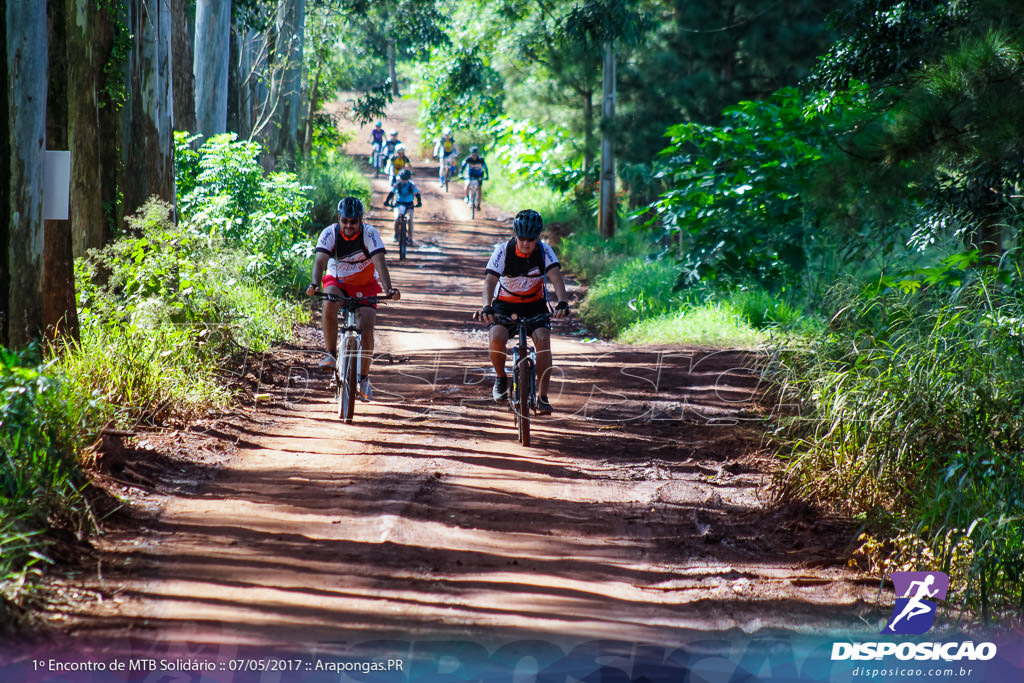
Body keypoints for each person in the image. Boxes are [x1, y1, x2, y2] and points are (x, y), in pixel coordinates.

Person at [305, 197, 400, 401]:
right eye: (345, 221)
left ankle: (364, 377)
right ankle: (331, 353)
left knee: (367, 327)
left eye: (353, 222)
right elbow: (320, 261)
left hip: (365, 285)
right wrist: (314, 284)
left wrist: (389, 289)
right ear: (339, 219)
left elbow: (380, 263)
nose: (348, 225)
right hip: (337, 282)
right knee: (329, 303)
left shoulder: (370, 234)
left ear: (361, 220)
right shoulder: (329, 233)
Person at [479, 209, 570, 415]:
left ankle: (543, 397)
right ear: (515, 235)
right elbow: (489, 281)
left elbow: (556, 278)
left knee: (543, 340)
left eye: (531, 239)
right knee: (496, 336)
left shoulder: (544, 251)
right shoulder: (503, 251)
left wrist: (563, 302)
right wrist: (487, 306)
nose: (526, 243)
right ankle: (501, 378)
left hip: (534, 304)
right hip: (505, 304)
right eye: (522, 239)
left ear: (538, 237)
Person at [384, 169, 423, 245]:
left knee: (409, 220)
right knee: (397, 219)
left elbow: (417, 194)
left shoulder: (412, 185)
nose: (404, 181)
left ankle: (410, 238)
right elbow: (392, 193)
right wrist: (387, 201)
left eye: (406, 179)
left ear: (408, 179)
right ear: (400, 178)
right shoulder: (397, 185)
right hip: (399, 204)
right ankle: (396, 234)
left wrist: (419, 202)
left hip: (409, 205)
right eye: (403, 179)